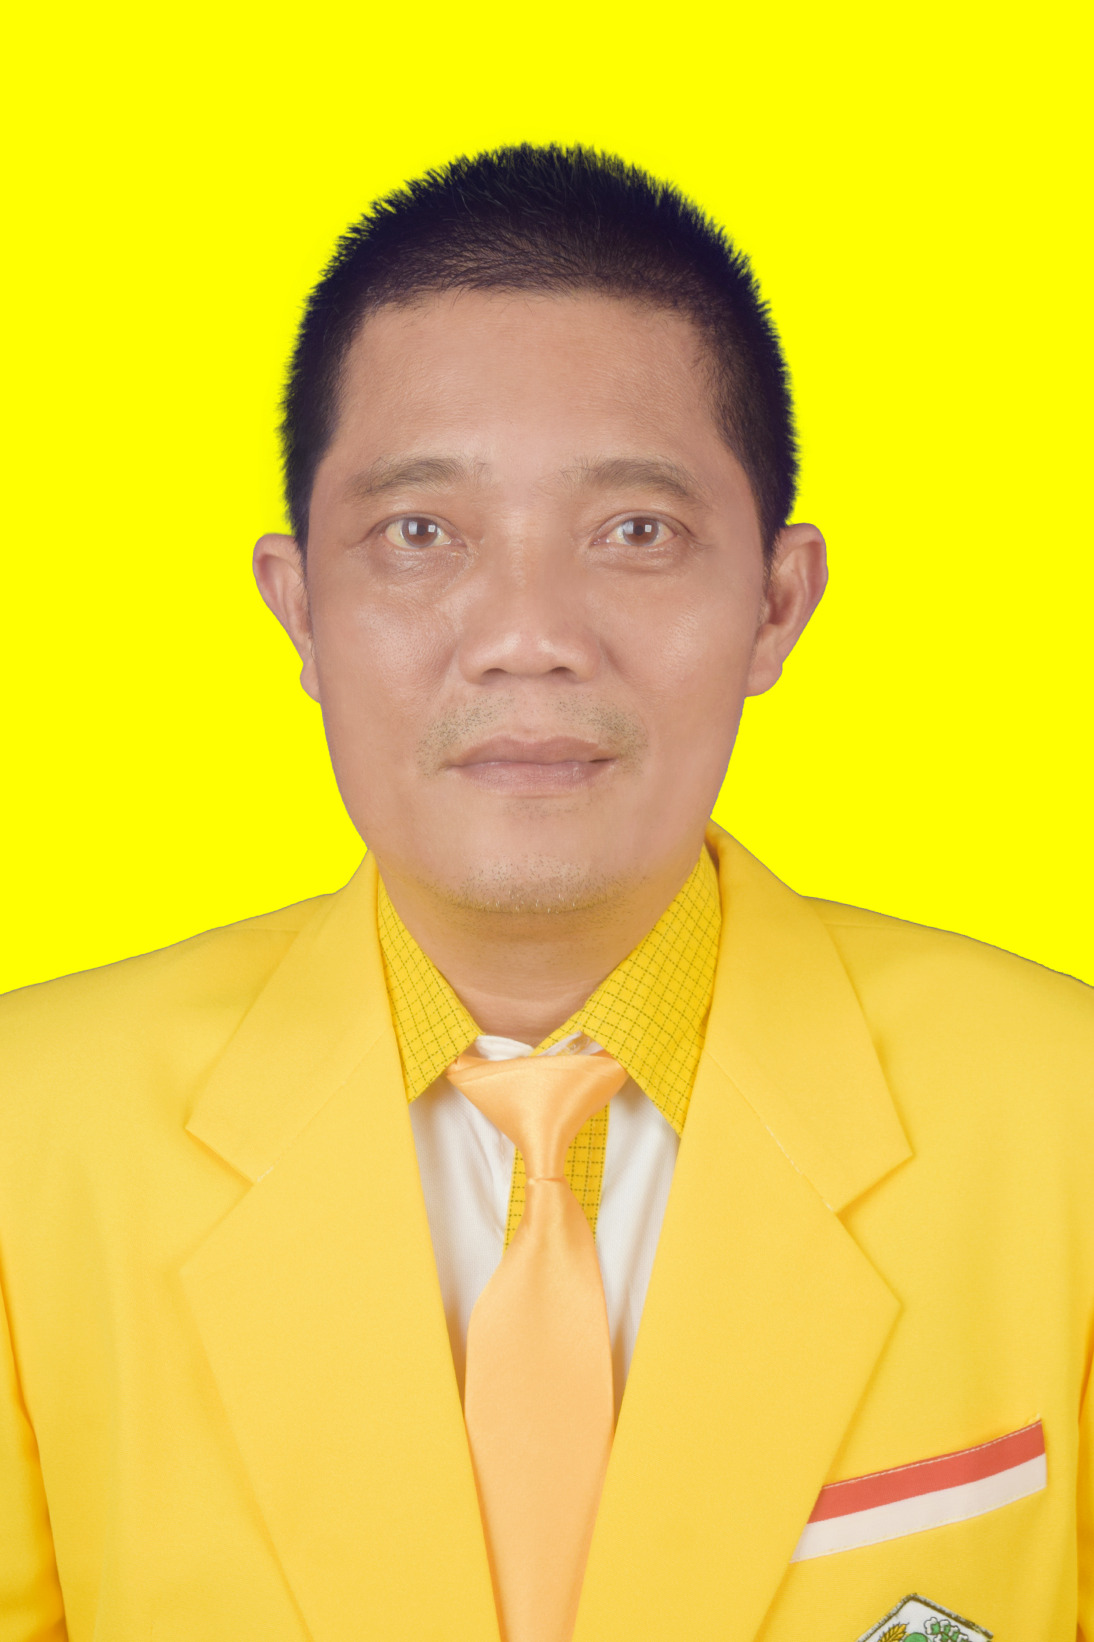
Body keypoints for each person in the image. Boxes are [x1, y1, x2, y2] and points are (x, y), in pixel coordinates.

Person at [1, 144, 1091, 1642]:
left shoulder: (1064, 1119)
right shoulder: (28, 1141)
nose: (527, 635)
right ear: (299, 606)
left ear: (776, 603)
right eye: (420, 533)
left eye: (635, 531)